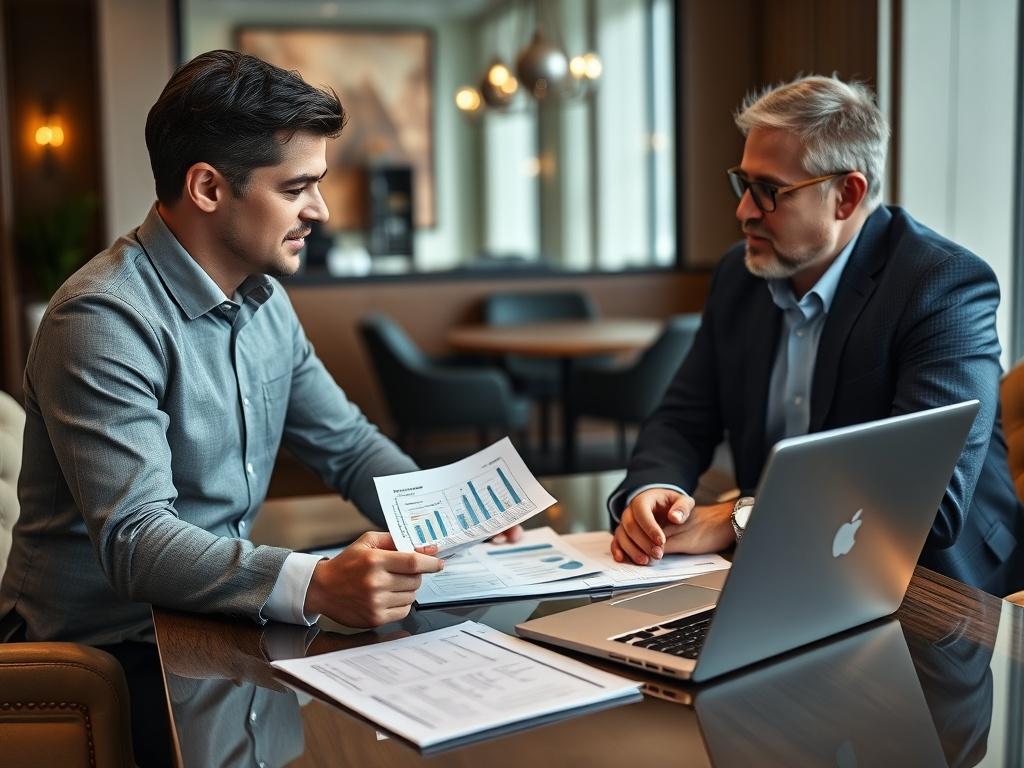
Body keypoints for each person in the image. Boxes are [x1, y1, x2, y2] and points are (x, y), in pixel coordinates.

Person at [0, 49, 512, 764]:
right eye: (297, 186)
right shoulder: (102, 318)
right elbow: (138, 541)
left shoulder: (264, 301)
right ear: (208, 187)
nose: (322, 211)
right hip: (109, 660)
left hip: (222, 632)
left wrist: (456, 520)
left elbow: (350, 445)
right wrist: (316, 583)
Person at [609, 75, 1024, 598]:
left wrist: (739, 518)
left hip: (942, 589)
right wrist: (655, 493)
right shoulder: (740, 277)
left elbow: (927, 503)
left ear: (846, 195)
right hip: (789, 571)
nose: (743, 212)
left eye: (768, 192)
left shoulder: (941, 285)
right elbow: (682, 418)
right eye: (743, 184)